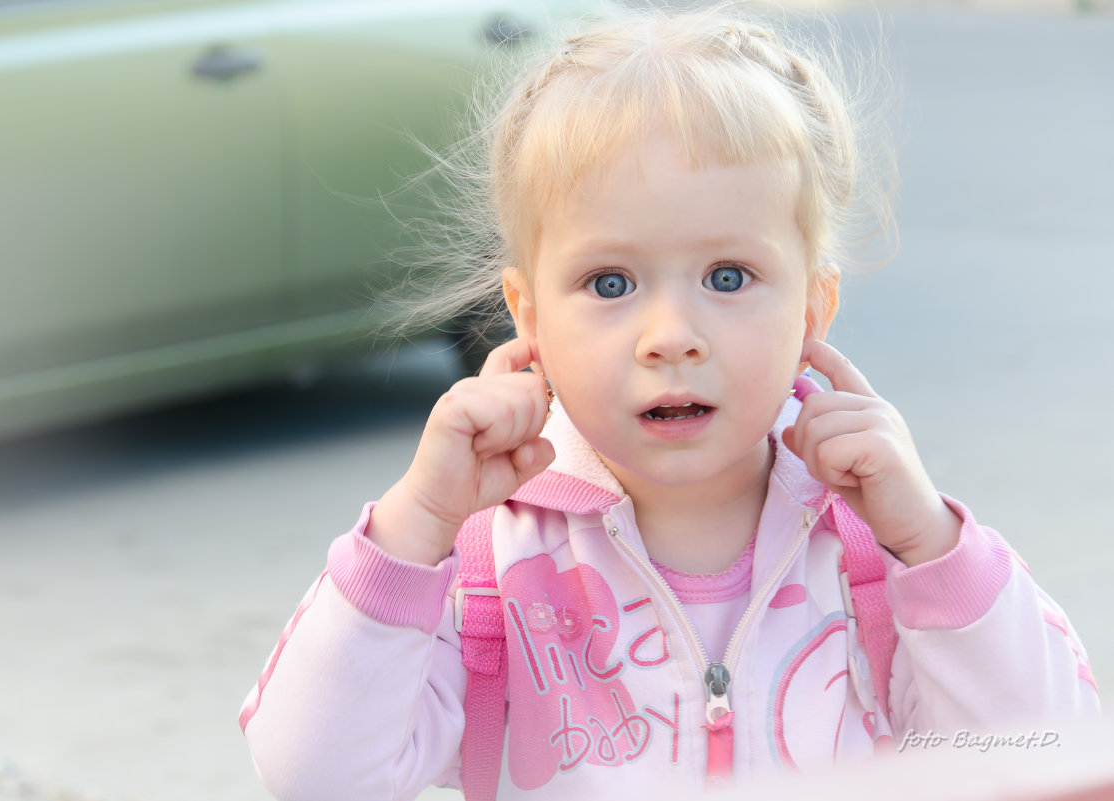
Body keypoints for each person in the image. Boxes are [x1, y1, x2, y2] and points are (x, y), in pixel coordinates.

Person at [239, 5, 1099, 800]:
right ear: (528, 316)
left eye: (728, 276)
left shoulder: (875, 553)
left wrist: (931, 544)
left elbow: (1046, 752)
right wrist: (412, 525)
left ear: (812, 307)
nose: (670, 334)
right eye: (609, 282)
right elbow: (315, 774)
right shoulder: (482, 562)